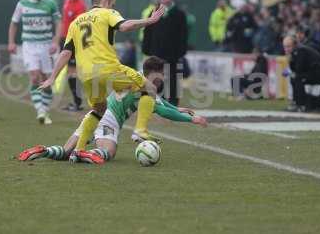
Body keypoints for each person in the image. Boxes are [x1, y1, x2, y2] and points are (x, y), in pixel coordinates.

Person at [38, 0, 165, 164]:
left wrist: (52, 77)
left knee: (99, 109)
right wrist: (150, 20)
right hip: (108, 69)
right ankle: (141, 130)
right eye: (112, 3)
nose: (114, 6)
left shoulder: (76, 22)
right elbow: (126, 26)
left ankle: (79, 150)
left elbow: (65, 53)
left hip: (86, 75)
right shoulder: (107, 13)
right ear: (106, 1)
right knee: (150, 88)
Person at [18, 56, 208, 163]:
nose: (163, 79)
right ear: (151, 74)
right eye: (161, 76)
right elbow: (162, 110)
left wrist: (178, 108)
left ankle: (44, 151)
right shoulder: (145, 87)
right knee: (108, 152)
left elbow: (161, 103)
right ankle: (86, 154)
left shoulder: (137, 78)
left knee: (65, 151)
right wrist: (192, 120)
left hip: (94, 115)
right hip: (108, 121)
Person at [8, 0, 61, 124]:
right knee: (34, 77)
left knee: (46, 80)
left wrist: (55, 42)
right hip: (29, 45)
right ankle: (41, 111)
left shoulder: (50, 3)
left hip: (46, 45)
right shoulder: (22, 4)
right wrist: (11, 42)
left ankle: (44, 108)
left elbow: (58, 23)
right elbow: (14, 23)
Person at [142, 0, 188, 106]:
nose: (166, 0)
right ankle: (158, 101)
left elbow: (184, 34)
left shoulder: (179, 14)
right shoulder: (154, 12)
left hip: (173, 53)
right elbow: (148, 31)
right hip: (157, 53)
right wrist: (146, 48)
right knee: (157, 78)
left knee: (173, 78)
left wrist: (182, 51)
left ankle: (173, 103)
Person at [283, 36, 320, 111]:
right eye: (285, 47)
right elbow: (297, 69)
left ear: (294, 45)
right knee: (295, 78)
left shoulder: (301, 50)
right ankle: (296, 103)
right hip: (317, 72)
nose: (286, 49)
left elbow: (299, 69)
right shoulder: (297, 51)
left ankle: (301, 104)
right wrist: (290, 60)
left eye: (288, 46)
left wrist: (290, 62)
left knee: (297, 77)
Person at [60, 0, 87, 112]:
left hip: (74, 42)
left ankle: (78, 102)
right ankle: (76, 101)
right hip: (65, 39)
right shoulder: (66, 3)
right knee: (71, 72)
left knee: (73, 72)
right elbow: (63, 22)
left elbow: (80, 27)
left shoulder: (80, 6)